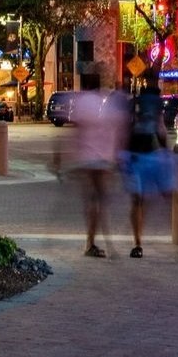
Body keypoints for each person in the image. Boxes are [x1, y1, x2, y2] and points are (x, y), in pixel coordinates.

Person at [60, 81, 126, 257]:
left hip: (87, 159)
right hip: (102, 160)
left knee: (92, 203)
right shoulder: (108, 104)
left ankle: (91, 243)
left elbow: (76, 132)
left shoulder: (82, 103)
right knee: (101, 202)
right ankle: (102, 243)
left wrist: (66, 156)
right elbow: (117, 132)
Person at [120, 81, 178, 258]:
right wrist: (167, 151)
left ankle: (137, 244)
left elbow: (123, 129)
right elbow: (160, 128)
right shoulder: (156, 103)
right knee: (166, 194)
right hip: (150, 154)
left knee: (137, 200)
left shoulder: (133, 103)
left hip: (132, 155)